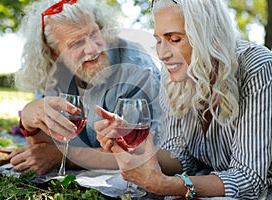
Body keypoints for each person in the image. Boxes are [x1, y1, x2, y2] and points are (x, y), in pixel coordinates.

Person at [95, 0, 272, 199]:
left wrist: (167, 185)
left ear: (208, 35)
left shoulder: (257, 67)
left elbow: (248, 179)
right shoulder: (173, 72)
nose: (162, 54)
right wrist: (137, 144)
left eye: (175, 39)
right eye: (159, 40)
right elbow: (179, 155)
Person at [7, 0, 161, 175]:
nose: (92, 48)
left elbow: (145, 152)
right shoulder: (53, 71)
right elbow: (43, 150)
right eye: (76, 43)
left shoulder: (136, 68)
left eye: (94, 33)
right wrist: (28, 119)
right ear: (54, 52)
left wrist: (65, 157)